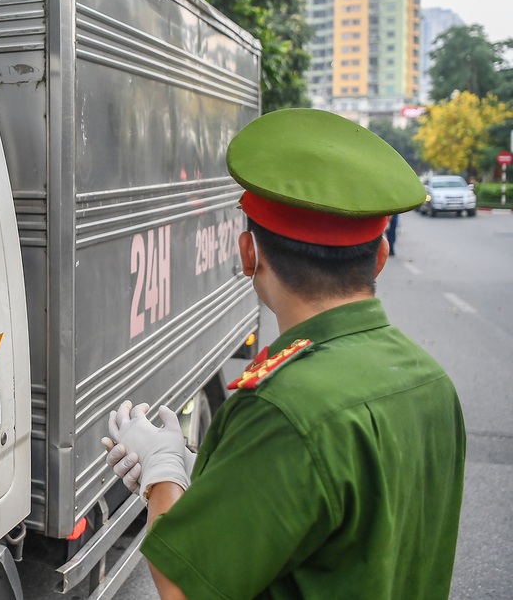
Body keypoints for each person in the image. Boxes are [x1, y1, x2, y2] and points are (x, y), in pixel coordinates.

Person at [102, 108, 465, 599]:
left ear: (248, 253)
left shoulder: (283, 409)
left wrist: (163, 474)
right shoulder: (432, 382)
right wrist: (213, 483)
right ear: (380, 256)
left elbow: (183, 588)